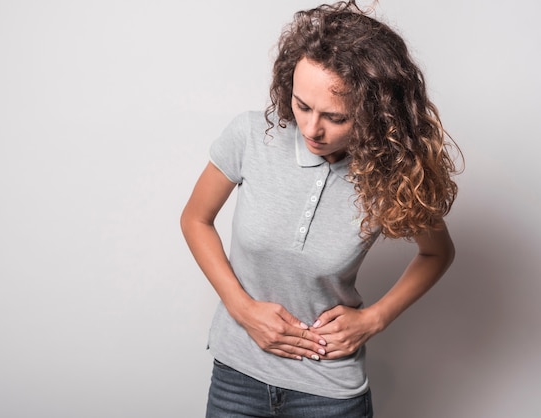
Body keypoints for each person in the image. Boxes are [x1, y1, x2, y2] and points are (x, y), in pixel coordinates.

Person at [180, 1, 461, 417]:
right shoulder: (250, 137)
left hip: (328, 391)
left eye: (335, 117)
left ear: (375, 110)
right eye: (302, 105)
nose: (312, 129)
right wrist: (242, 309)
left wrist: (374, 319)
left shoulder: (390, 174)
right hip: (237, 374)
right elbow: (195, 220)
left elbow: (438, 252)